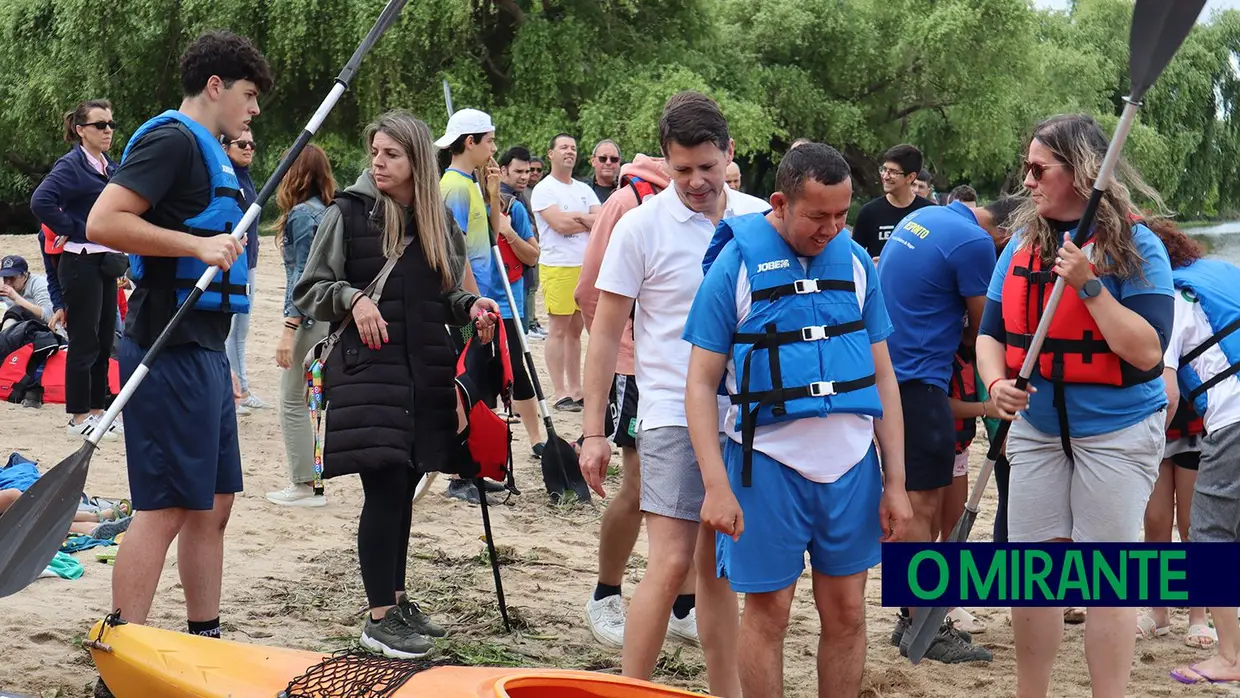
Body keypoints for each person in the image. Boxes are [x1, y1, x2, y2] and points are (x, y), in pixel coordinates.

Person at [683, 142, 913, 697]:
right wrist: (715, 485)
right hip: (765, 467)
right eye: (818, 215)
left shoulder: (856, 262)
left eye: (841, 214)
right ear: (782, 203)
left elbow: (884, 377)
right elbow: (699, 384)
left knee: (848, 613)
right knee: (769, 616)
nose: (832, 228)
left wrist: (897, 483)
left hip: (853, 467)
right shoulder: (735, 265)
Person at [84, 35, 274, 693]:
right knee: (163, 505)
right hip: (165, 344)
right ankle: (119, 659)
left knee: (214, 503)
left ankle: (206, 640)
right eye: (249, 97)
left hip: (204, 348)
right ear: (217, 86)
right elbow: (104, 220)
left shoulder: (211, 152)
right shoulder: (170, 140)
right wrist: (194, 243)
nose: (253, 113)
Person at [976, 114, 1173, 698]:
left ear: (1083, 174)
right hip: (1036, 429)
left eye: (1039, 169)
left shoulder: (1139, 246)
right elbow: (989, 334)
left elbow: (1146, 352)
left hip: (1116, 431)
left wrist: (1089, 285)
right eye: (1026, 168)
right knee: (1031, 575)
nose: (1027, 181)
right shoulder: (1019, 244)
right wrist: (995, 386)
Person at [295, 109, 500, 659]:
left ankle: (398, 599)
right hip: (369, 371)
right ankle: (378, 618)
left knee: (405, 487)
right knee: (384, 488)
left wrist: (471, 306)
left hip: (425, 370)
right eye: (375, 152)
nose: (379, 163)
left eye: (391, 154)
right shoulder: (349, 213)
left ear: (417, 162)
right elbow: (309, 289)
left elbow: (445, 296)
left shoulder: (436, 220)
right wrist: (353, 298)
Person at [579, 91, 762, 696]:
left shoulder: (761, 220)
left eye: (707, 167)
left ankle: (725, 691)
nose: (696, 182)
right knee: (672, 559)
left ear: (729, 154)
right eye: (681, 170)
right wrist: (594, 431)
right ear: (664, 162)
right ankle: (631, 688)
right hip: (668, 411)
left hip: (748, 418)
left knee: (719, 567)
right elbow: (604, 333)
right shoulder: (640, 226)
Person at [878, 194, 1017, 661]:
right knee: (921, 509)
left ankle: (907, 620)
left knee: (915, 504)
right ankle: (924, 629)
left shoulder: (924, 216)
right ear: (1003, 234)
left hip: (890, 374)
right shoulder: (976, 243)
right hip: (919, 383)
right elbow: (987, 331)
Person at [574, 150, 671, 648]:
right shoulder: (628, 201)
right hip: (636, 370)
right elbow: (588, 290)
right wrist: (618, 350)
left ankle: (686, 605)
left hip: (694, 373)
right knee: (638, 488)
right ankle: (606, 592)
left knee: (688, 496)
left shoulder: (725, 203)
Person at [1147, 221, 1240, 684]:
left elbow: (1167, 393)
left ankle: (1230, 658)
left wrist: (1144, 452)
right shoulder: (1221, 271)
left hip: (1233, 418)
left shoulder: (1174, 297)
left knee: (1208, 538)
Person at [30, 98, 124, 440]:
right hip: (80, 260)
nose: (108, 130)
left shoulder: (108, 166)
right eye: (100, 125)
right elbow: (41, 201)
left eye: (111, 124)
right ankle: (77, 416)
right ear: (80, 130)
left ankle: (99, 411)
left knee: (103, 339)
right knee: (84, 341)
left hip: (105, 262)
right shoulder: (70, 165)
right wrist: (75, 226)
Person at [265, 143, 336, 508]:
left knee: (292, 400)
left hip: (307, 319)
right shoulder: (329, 212)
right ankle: (313, 480)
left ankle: (304, 485)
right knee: (315, 399)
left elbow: (302, 276)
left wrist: (289, 328)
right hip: (329, 317)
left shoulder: (301, 216)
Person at [530, 133, 601, 411]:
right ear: (551, 154)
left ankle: (576, 387)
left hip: (585, 266)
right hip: (558, 265)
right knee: (558, 329)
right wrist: (586, 220)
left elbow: (604, 218)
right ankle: (559, 391)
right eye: (563, 147)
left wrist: (581, 220)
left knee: (576, 330)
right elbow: (559, 224)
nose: (569, 152)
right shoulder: (544, 189)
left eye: (573, 147)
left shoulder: (583, 189)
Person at [492, 146, 544, 451]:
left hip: (510, 304)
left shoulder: (516, 208)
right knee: (480, 372)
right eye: (519, 171)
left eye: (528, 171)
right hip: (476, 306)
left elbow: (533, 255)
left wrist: (509, 232)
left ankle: (536, 439)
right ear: (503, 171)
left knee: (518, 370)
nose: (524, 177)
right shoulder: (470, 202)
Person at [222, 127, 267, 412]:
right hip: (234, 266)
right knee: (230, 331)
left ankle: (244, 389)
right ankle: (232, 392)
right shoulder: (226, 179)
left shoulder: (246, 179)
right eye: (242, 144)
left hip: (249, 263)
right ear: (226, 147)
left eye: (251, 144)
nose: (248, 148)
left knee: (241, 331)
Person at [851, 144, 934, 261]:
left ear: (910, 177)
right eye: (884, 169)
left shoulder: (929, 213)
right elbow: (854, 257)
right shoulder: (869, 212)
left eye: (893, 172)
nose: (885, 176)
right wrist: (870, 266)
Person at [0, 256, 54, 327]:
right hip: (19, 328)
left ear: (24, 275)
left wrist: (16, 298)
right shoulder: (5, 289)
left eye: (12, 277)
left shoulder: (38, 284)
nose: (8, 282)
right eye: (5, 277)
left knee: (14, 313)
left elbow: (49, 316)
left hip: (44, 330)